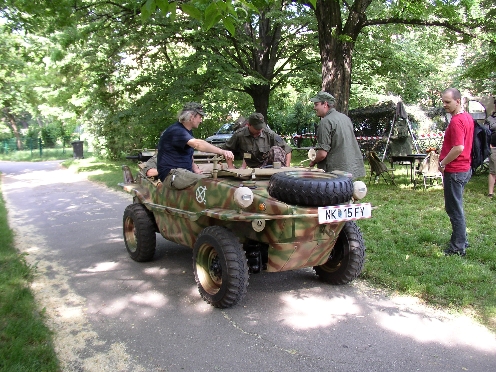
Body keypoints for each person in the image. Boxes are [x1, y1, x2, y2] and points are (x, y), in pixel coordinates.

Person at [157, 102, 234, 187]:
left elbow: (188, 153)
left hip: (184, 172)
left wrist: (195, 168)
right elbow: (198, 144)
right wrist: (222, 151)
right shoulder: (177, 131)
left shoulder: (187, 131)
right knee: (209, 184)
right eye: (200, 117)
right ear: (191, 117)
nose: (201, 121)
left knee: (222, 173)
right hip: (172, 175)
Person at [438, 88, 474, 257]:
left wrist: (443, 162)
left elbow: (459, 147)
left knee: (454, 209)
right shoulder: (467, 118)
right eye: (443, 101)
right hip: (465, 169)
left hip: (456, 170)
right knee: (456, 207)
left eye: (448, 102)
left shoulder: (457, 121)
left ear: (458, 101)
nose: (444, 105)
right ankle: (462, 239)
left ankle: (458, 247)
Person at [308, 91, 365, 179]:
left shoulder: (325, 122)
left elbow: (322, 154)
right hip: (350, 169)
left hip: (334, 173)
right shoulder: (345, 118)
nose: (314, 107)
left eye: (316, 104)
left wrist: (312, 162)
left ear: (325, 104)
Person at [222, 113, 292, 169]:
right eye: (257, 128)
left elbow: (287, 149)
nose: (259, 130)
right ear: (249, 125)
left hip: (270, 164)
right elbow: (227, 149)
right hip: (255, 167)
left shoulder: (269, 133)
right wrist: (231, 167)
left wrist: (287, 168)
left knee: (276, 150)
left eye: (261, 127)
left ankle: (280, 174)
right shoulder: (239, 135)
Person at [488, 123, 496, 198]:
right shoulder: (491, 118)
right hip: (494, 147)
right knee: (493, 171)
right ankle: (490, 193)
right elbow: (486, 132)